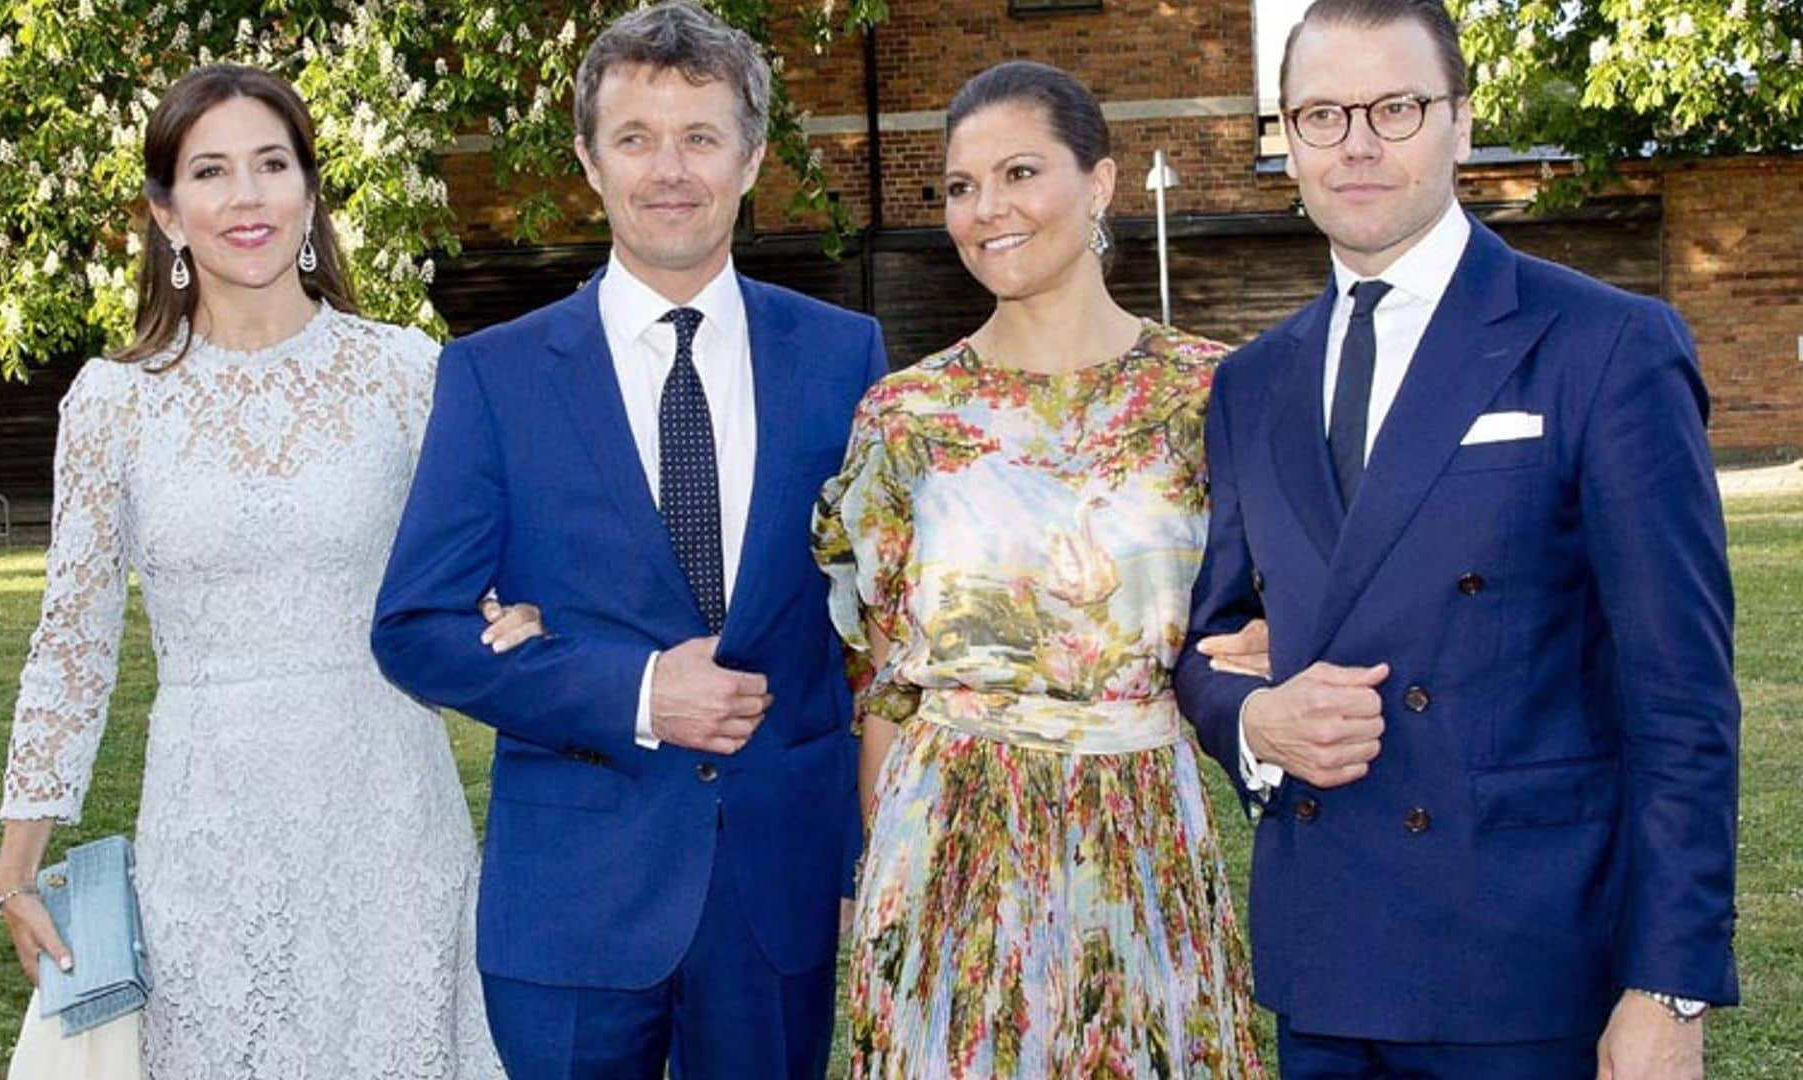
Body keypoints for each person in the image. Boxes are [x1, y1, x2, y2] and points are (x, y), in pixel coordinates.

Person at [1173, 1, 1741, 1077]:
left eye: (1396, 106)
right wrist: (1258, 718)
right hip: (1326, 961)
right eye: (1322, 114)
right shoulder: (1250, 383)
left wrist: (1669, 985)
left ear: (1462, 123)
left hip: (1527, 964)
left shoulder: (1604, 345)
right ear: (1285, 140)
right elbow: (1211, 644)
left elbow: (1683, 696)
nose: (1359, 143)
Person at [369, 3, 885, 1076]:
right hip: (572, 897)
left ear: (751, 159)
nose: (670, 170)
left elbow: (878, 620)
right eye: (635, 139)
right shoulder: (493, 375)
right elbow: (415, 626)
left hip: (775, 895)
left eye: (701, 137)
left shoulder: (845, 359)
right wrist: (638, 693)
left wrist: (858, 852)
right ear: (589, 162)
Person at [0, 64, 523, 1079]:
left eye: (273, 164)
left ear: (311, 194)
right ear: (165, 212)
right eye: (212, 171)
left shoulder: (409, 373)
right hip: (208, 825)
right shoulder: (112, 404)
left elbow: (483, 586)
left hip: (390, 815)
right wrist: (19, 868)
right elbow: (71, 644)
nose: (248, 197)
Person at [813, 60, 1267, 1079]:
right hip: (948, 837)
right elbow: (887, 687)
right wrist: (884, 882)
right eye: (961, 187)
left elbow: (1269, 616)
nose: (986, 210)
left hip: (1140, 823)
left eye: (1019, 172)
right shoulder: (906, 418)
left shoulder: (1216, 394)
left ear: (1100, 183)